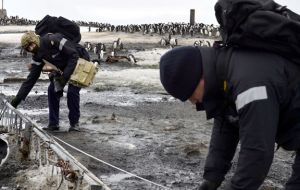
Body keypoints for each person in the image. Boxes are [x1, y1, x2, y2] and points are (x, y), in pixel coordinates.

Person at [159, 45, 300, 190]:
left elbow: (257, 153)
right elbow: (227, 122)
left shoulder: (249, 84)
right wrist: (212, 177)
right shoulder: (224, 73)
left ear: (199, 78)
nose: (192, 102)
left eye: (189, 94)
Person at [11, 31, 90, 132]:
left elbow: (73, 55)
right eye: (27, 48)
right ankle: (53, 124)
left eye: (30, 45)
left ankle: (74, 124)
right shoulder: (37, 56)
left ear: (34, 40)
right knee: (52, 90)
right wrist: (17, 99)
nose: (30, 48)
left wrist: (64, 78)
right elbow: (31, 79)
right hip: (63, 66)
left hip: (80, 60)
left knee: (72, 92)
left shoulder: (53, 40)